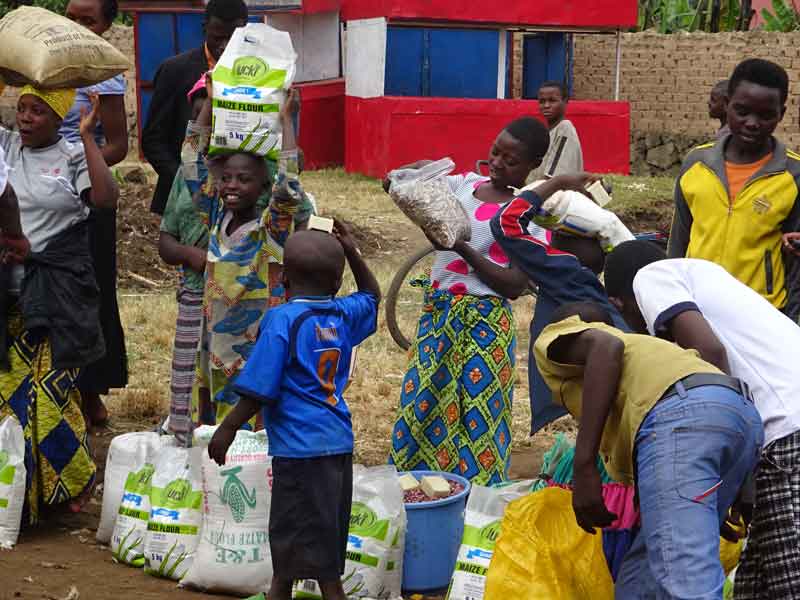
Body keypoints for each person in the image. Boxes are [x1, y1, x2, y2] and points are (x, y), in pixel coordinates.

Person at [603, 240, 800, 600]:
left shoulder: (653, 277)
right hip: (780, 432)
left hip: (787, 430)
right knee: (759, 582)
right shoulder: (707, 275)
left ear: (619, 302)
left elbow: (709, 351)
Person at [534, 302, 763, 599]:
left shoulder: (561, 335)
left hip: (684, 417)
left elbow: (606, 346)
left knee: (686, 580)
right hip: (739, 414)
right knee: (644, 574)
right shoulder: (651, 356)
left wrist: (584, 464)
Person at [207, 223, 380, 600]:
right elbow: (371, 295)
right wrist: (352, 251)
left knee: (293, 542)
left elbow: (260, 388)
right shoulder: (341, 314)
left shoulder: (282, 319)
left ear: (283, 277)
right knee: (324, 539)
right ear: (336, 282)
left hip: (299, 450)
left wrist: (228, 428)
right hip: (336, 443)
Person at [388, 118, 547, 485]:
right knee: (422, 404)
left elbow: (512, 284)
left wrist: (460, 245)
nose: (498, 163)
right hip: (439, 316)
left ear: (532, 165)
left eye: (511, 159)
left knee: (478, 416)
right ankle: (414, 491)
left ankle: (476, 505)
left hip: (486, 325)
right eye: (496, 151)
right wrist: (421, 171)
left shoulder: (529, 214)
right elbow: (401, 184)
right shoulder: (462, 185)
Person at [0, 86, 119, 522]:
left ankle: (73, 481)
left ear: (58, 117)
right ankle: (26, 493)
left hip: (58, 294)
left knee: (51, 397)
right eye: (22, 109)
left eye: (38, 111)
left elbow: (106, 199)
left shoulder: (71, 155)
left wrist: (88, 137)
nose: (26, 118)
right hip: (10, 295)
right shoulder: (6, 146)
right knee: (12, 398)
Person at [189, 86, 314, 428]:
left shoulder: (270, 231)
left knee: (253, 435)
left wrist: (287, 120)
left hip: (258, 353)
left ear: (263, 187)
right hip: (215, 350)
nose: (231, 186)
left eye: (244, 179)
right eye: (226, 178)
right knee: (216, 432)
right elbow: (191, 165)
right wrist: (211, 105)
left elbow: (289, 187)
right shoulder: (215, 220)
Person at [490, 172, 628, 433]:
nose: (556, 247)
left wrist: (557, 183)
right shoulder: (589, 284)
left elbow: (506, 222)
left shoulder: (562, 275)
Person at [669, 58, 800, 321]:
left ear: (781, 114)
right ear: (727, 105)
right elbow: (678, 241)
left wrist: (793, 325)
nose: (752, 123)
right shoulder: (697, 163)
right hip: (697, 309)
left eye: (765, 115)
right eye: (742, 111)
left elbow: (796, 263)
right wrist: (672, 304)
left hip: (761, 314)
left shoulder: (794, 174)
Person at [62, 0, 129, 427]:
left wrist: (75, 167)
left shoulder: (107, 75)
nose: (79, 26)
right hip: (40, 197)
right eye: (72, 17)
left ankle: (90, 392)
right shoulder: (40, 63)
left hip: (88, 196)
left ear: (107, 26)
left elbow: (119, 146)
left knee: (93, 291)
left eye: (89, 20)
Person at [142, 0, 247, 215]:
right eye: (218, 37)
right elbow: (153, 140)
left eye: (234, 38)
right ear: (204, 28)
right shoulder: (175, 71)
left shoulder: (260, 76)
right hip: (182, 201)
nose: (225, 45)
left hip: (243, 201)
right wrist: (187, 182)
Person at [158, 77, 211, 445]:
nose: (205, 123)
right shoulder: (190, 175)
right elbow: (166, 240)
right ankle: (185, 444)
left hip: (243, 305)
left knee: (230, 383)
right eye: (198, 116)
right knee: (189, 378)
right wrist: (192, 255)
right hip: (195, 294)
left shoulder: (253, 177)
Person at [529, 80, 584, 181]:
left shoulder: (564, 128)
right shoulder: (545, 134)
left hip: (555, 194)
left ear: (565, 101)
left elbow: (553, 177)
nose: (546, 105)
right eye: (542, 101)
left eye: (552, 100)